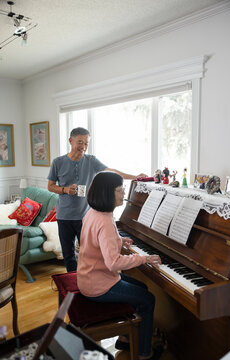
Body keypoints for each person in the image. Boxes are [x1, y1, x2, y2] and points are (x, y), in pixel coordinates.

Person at [77, 171, 162, 360]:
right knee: (148, 299)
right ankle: (144, 353)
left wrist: (119, 240)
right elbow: (114, 263)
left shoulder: (94, 213)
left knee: (142, 287)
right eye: (120, 190)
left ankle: (125, 338)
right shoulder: (106, 221)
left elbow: (96, 241)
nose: (124, 193)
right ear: (107, 193)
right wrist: (143, 259)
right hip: (98, 285)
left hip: (89, 276)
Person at [48, 127, 147, 272]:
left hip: (85, 217)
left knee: (88, 253)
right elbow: (50, 186)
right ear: (70, 141)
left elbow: (111, 171)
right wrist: (65, 190)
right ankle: (73, 284)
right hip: (64, 216)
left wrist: (134, 177)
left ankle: (85, 281)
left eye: (86, 143)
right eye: (80, 142)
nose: (83, 147)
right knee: (68, 254)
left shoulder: (91, 160)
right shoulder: (58, 162)